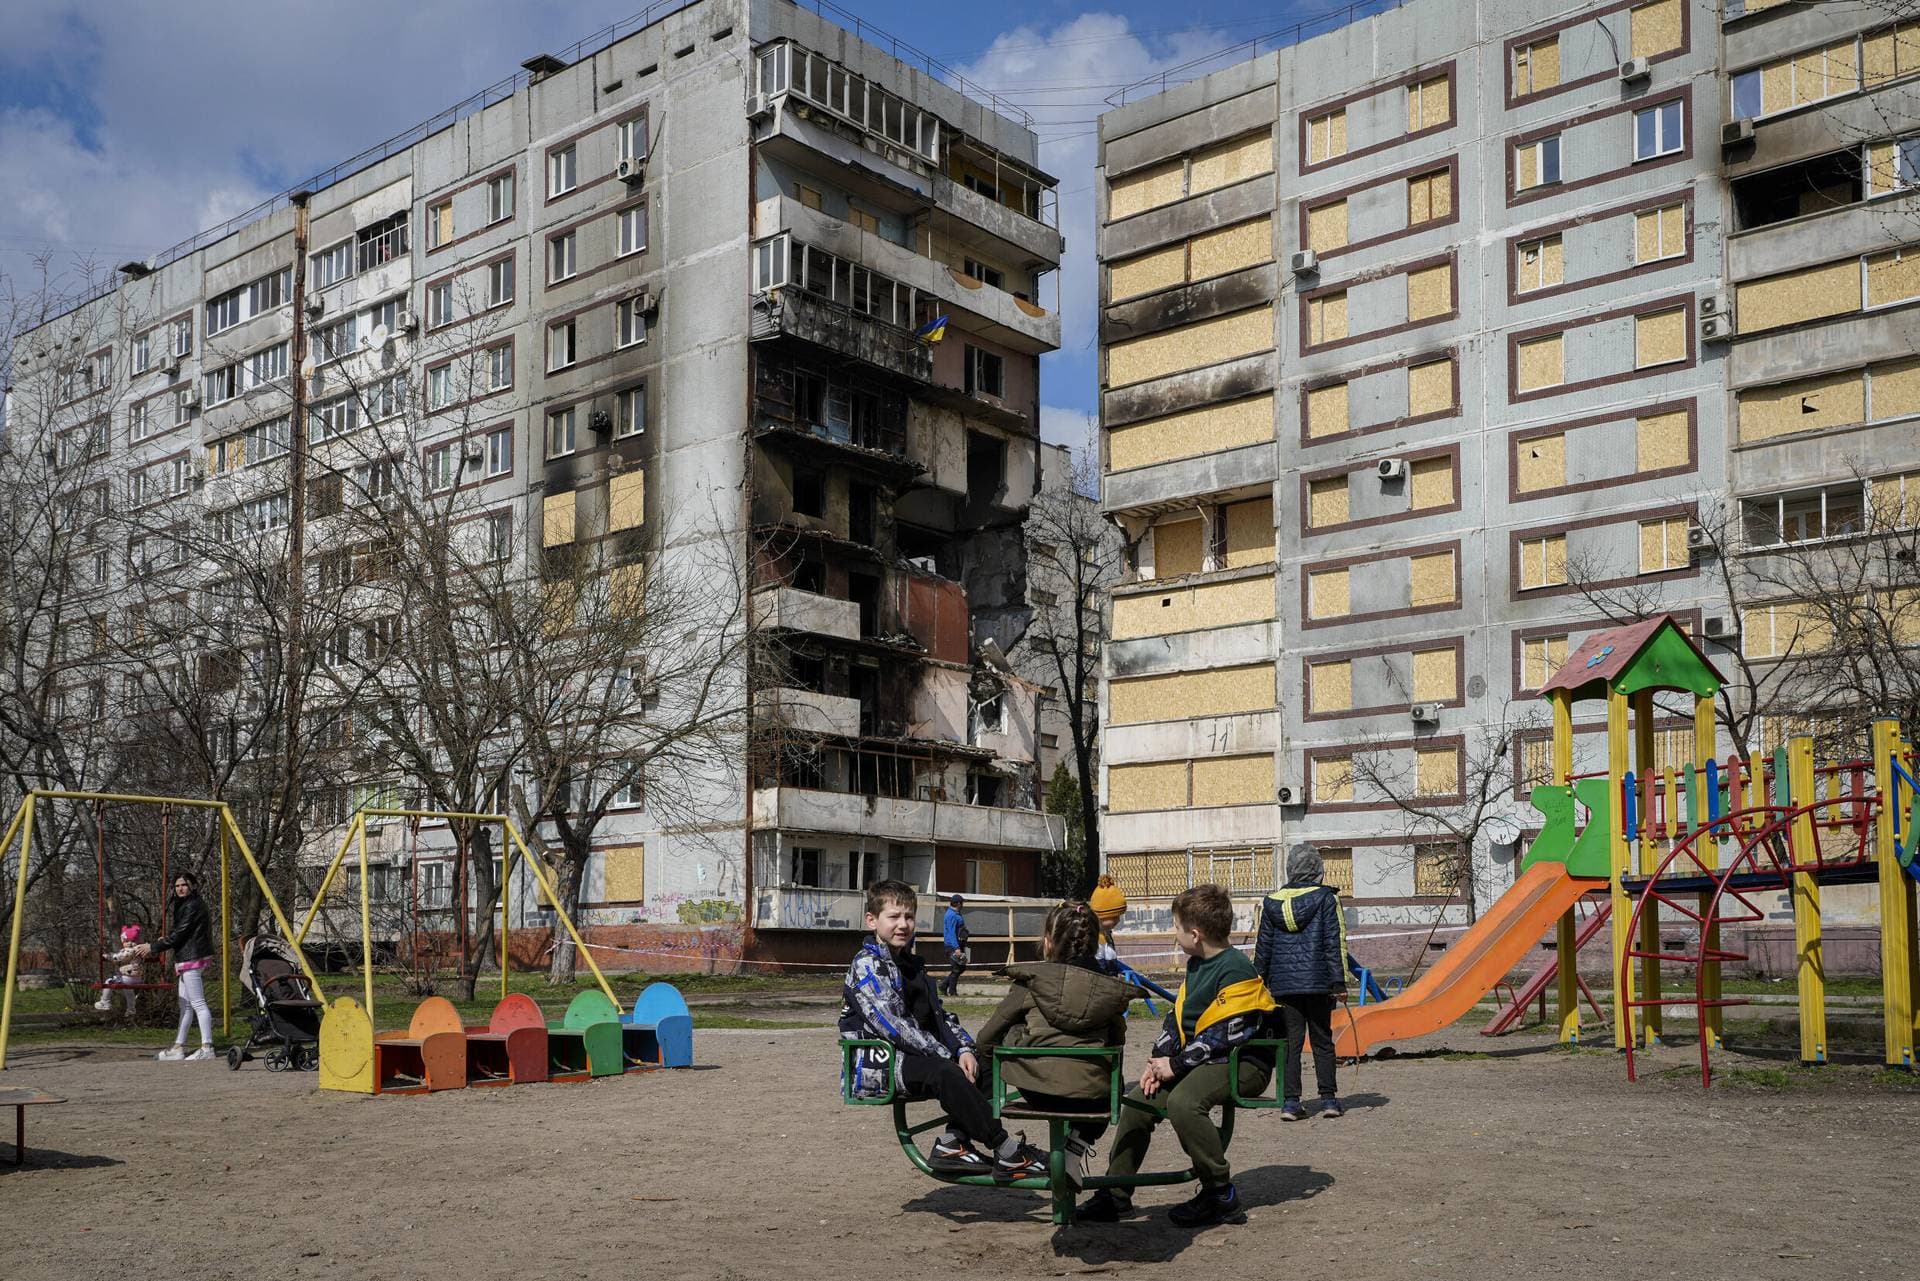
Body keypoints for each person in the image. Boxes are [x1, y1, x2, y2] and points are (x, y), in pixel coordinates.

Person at [1079, 884, 1275, 1228]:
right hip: (1204, 1060)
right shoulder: (1197, 964)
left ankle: (1221, 1194)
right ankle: (1115, 1194)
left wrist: (1177, 1065)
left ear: (1196, 934)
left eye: (1177, 927)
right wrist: (1158, 1061)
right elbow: (1178, 1017)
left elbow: (1225, 1035)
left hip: (1243, 1062)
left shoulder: (1236, 970)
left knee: (1183, 1102)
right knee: (1139, 1101)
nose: (1175, 934)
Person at [840, 879, 1047, 1181]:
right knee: (946, 1072)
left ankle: (953, 1143)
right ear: (872, 920)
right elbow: (894, 1027)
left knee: (987, 1063)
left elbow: (941, 1018)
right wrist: (945, 1057)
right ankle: (1007, 1149)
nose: (903, 924)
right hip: (878, 1063)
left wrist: (963, 1049)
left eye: (909, 917)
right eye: (894, 917)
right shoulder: (867, 966)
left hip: (915, 1057)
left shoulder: (913, 965)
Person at [973, 901, 1139, 1148]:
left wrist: (1014, 1040)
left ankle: (985, 1131)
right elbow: (1118, 1039)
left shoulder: (1029, 983)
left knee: (999, 1038)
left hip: (1038, 1091)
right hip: (1094, 1098)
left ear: (1048, 942)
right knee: (1111, 1067)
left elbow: (986, 1038)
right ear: (1094, 944)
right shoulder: (1110, 990)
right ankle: (1077, 1145)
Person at [1253, 846, 1349, 1120]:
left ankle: (1291, 1103)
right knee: (1322, 1042)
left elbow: (1264, 948)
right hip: (1319, 984)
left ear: (1290, 869)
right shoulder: (1326, 899)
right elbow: (1334, 942)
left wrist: (1259, 981)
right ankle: (1329, 1100)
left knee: (1290, 1043)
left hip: (1283, 986)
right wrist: (1338, 982)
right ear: (1318, 870)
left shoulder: (1271, 902)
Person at [136, 872, 216, 1061]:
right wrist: (167, 940)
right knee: (186, 1005)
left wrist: (153, 947)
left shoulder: (193, 905)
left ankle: (207, 1047)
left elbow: (180, 934)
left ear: (193, 886)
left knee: (197, 1003)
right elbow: (183, 933)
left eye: (184, 885)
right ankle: (178, 1047)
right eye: (177, 885)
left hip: (191, 957)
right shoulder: (187, 904)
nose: (180, 888)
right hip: (188, 956)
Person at [94, 924, 145, 1016]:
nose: (129, 943)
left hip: (128, 977)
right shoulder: (140, 949)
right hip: (137, 977)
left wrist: (108, 956)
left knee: (109, 981)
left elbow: (118, 957)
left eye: (132, 941)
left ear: (137, 941)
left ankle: (105, 1002)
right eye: (126, 941)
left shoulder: (130, 950)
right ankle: (131, 1009)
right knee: (128, 991)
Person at [940, 894, 969, 996]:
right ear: (958, 903)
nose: (963, 904)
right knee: (956, 968)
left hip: (958, 944)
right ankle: (952, 992)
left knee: (961, 967)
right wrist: (956, 948)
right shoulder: (951, 915)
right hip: (952, 946)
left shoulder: (956, 913)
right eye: (962, 903)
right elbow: (952, 933)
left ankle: (944, 985)